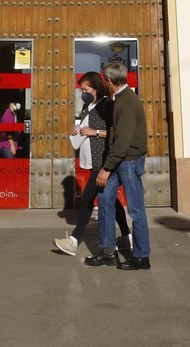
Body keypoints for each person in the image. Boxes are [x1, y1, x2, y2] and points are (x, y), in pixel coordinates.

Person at [53, 72, 128, 256]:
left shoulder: (106, 104)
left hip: (102, 159)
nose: (83, 92)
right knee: (112, 199)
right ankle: (127, 236)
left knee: (87, 198)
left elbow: (115, 132)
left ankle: (74, 240)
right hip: (91, 158)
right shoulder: (88, 105)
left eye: (86, 89)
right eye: (81, 89)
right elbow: (86, 126)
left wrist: (94, 132)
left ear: (96, 87)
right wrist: (78, 130)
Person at [85, 60, 150, 270]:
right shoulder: (120, 99)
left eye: (105, 80)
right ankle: (108, 251)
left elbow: (123, 140)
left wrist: (106, 168)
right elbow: (115, 134)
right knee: (105, 200)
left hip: (128, 161)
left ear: (109, 80)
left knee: (136, 210)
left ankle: (141, 256)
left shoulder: (128, 102)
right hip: (119, 160)